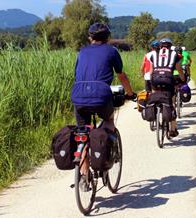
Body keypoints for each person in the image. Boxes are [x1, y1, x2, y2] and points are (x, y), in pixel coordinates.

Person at [71, 23, 136, 182]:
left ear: (90, 37)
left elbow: (77, 74)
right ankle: (104, 156)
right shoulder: (111, 51)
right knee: (108, 119)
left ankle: (85, 175)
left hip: (78, 95)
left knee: (82, 132)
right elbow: (121, 76)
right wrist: (130, 94)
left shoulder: (82, 52)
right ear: (108, 38)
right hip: (101, 96)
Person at [149, 38, 185, 137]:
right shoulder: (175, 55)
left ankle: (156, 113)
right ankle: (173, 129)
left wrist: (151, 82)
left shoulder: (154, 54)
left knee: (155, 95)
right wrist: (183, 80)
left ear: (161, 46)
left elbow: (151, 71)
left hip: (155, 79)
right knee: (171, 102)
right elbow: (179, 70)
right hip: (168, 79)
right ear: (170, 46)